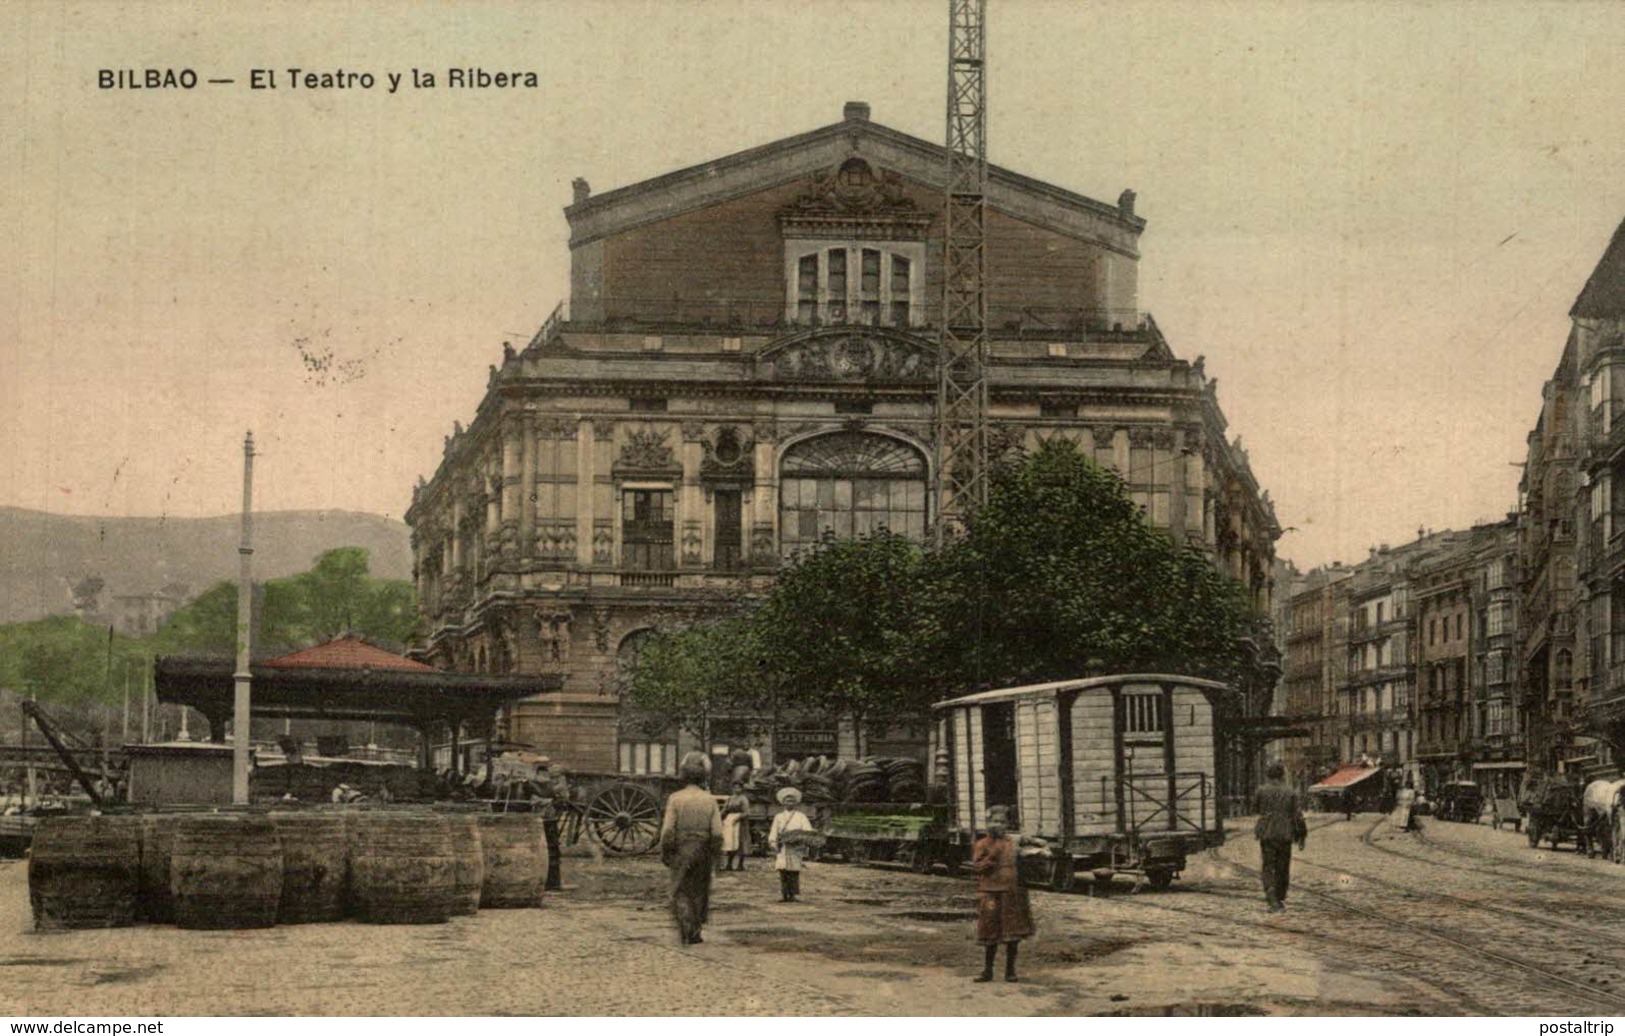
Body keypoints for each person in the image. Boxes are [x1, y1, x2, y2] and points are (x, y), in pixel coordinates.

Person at [659, 751, 723, 945]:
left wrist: (666, 851)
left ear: (684, 777)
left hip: (681, 849)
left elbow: (668, 830)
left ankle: (685, 926)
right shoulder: (710, 800)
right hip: (703, 849)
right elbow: (717, 832)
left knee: (680, 889)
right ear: (703, 777)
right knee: (699, 890)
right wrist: (715, 855)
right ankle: (695, 931)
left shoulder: (675, 798)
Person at [971, 804, 1035, 983]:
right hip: (990, 893)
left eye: (1002, 822)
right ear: (988, 823)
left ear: (1007, 824)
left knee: (1012, 933)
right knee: (989, 930)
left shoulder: (1012, 843)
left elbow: (1022, 860)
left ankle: (1010, 971)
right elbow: (977, 867)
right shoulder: (982, 844)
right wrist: (992, 857)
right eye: (994, 821)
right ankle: (987, 971)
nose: (998, 825)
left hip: (1010, 892)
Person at [1254, 761, 1308, 912]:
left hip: (1266, 832)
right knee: (1283, 866)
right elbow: (1298, 815)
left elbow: (1256, 808)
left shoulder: (1261, 790)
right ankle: (1280, 896)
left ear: (1268, 775)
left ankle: (1270, 892)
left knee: (1268, 864)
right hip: (1285, 833)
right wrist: (1302, 834)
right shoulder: (1291, 792)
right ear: (1282, 775)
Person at [768, 786, 813, 902]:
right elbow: (774, 830)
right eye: (787, 800)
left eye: (792, 801)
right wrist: (773, 842)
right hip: (783, 847)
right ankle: (784, 894)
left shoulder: (801, 816)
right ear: (783, 802)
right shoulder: (779, 817)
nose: (790, 803)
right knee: (783, 871)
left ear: (796, 803)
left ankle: (793, 895)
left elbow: (807, 830)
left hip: (795, 847)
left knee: (794, 871)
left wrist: (800, 838)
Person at [720, 781, 752, 872]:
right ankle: (729, 864)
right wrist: (720, 817)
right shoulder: (730, 798)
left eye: (738, 787)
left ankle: (740, 865)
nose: (736, 789)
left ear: (742, 789)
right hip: (729, 822)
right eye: (735, 787)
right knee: (730, 842)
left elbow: (747, 812)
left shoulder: (743, 799)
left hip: (740, 823)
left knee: (741, 843)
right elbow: (725, 809)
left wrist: (738, 818)